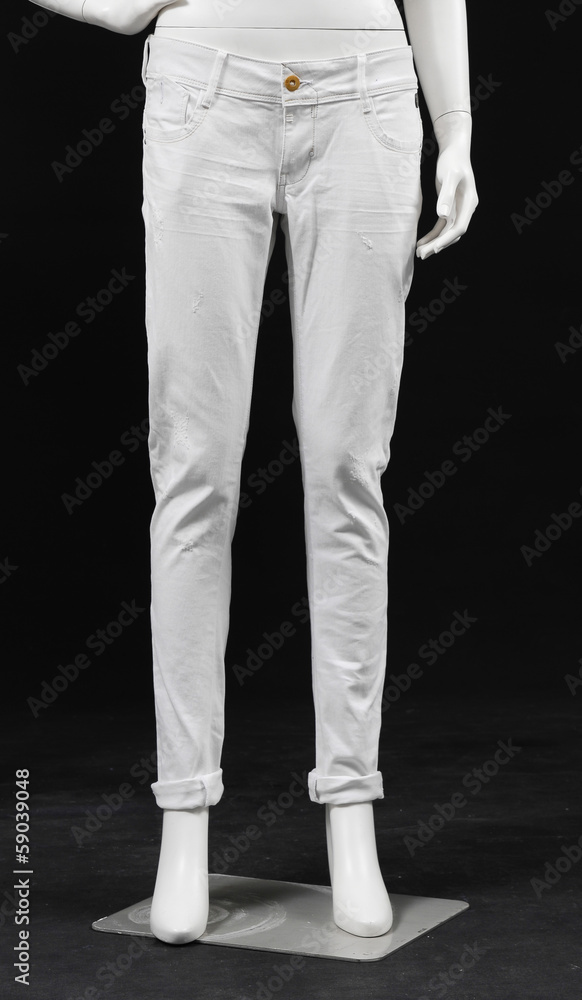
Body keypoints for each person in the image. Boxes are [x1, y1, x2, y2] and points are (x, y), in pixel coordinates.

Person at [29, 0, 478, 945]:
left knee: (348, 473)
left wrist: (458, 125)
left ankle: (351, 812)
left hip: (366, 95)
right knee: (193, 474)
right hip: (206, 88)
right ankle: (183, 819)